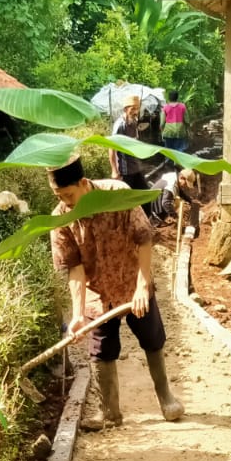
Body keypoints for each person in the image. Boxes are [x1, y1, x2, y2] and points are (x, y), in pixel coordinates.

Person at [49, 158, 183, 429]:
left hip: (132, 282)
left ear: (83, 184)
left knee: (152, 337)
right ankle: (109, 412)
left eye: (69, 194)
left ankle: (166, 397)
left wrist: (143, 285)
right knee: (101, 350)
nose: (66, 201)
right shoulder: (61, 218)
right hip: (99, 294)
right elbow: (74, 269)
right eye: (59, 196)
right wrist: (77, 315)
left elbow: (144, 238)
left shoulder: (117, 193)